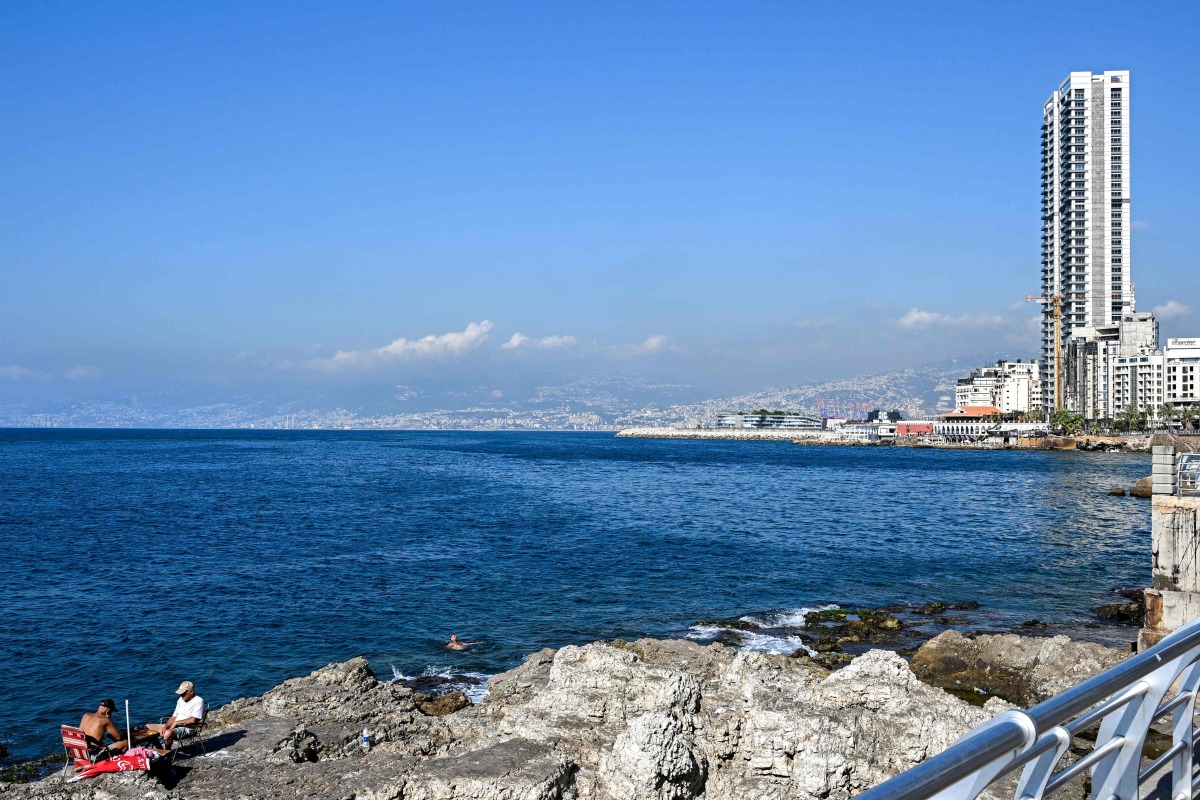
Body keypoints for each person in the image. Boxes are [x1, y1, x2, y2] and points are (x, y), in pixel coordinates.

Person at [146, 681, 206, 749]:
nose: (181, 695)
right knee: (147, 727)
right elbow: (174, 717)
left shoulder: (198, 701)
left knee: (168, 733)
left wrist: (177, 722)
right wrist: (166, 726)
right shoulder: (180, 700)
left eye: (183, 694)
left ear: (191, 691)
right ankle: (160, 749)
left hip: (187, 728)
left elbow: (193, 720)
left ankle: (167, 754)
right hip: (174, 726)